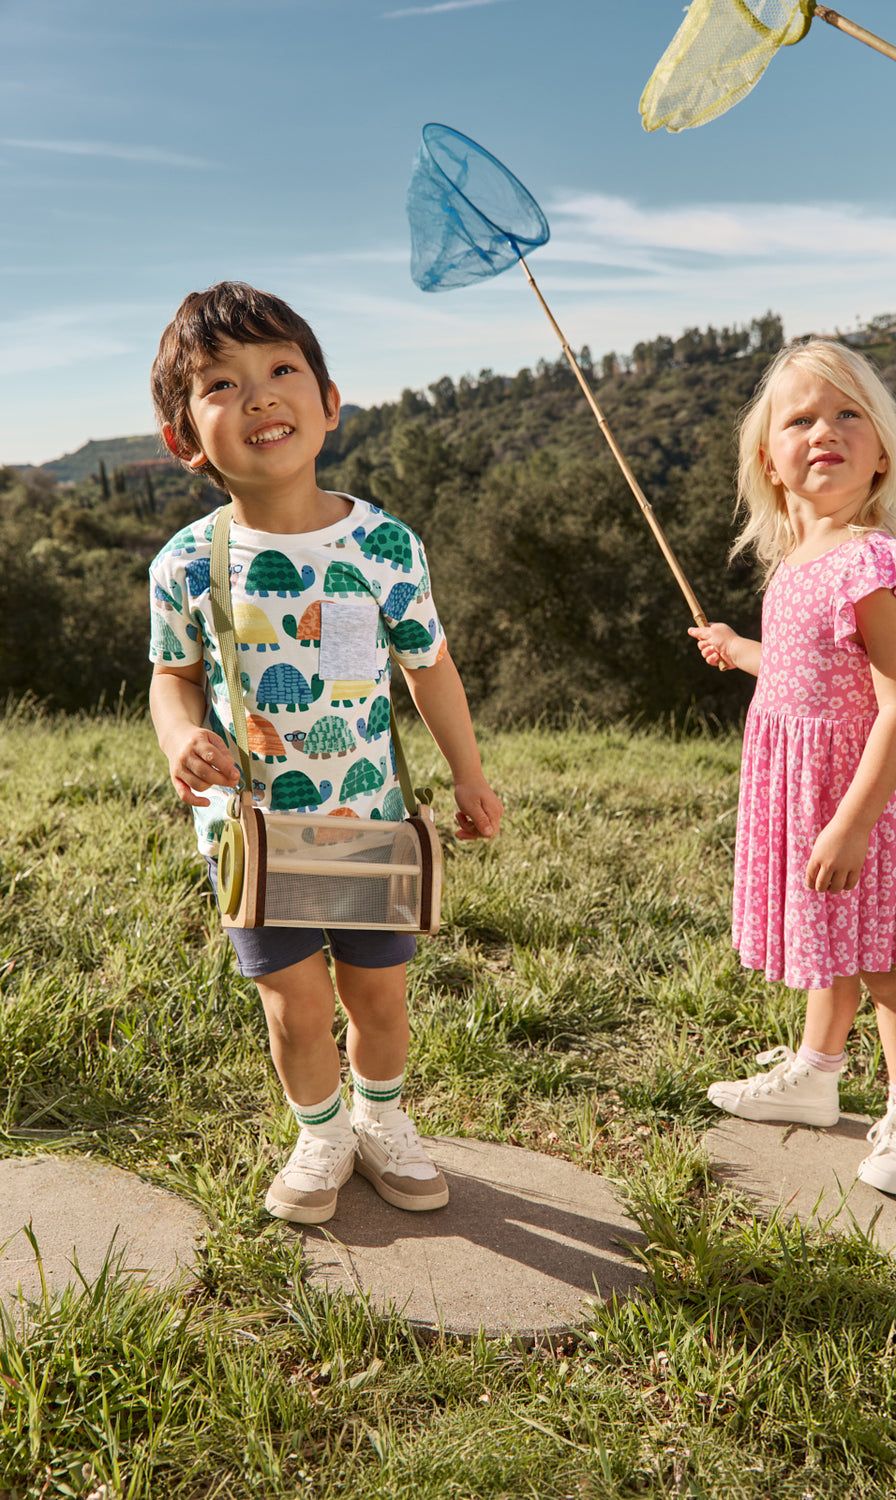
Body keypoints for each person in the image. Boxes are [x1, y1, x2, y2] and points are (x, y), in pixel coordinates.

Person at [148, 281, 502, 1226]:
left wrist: (468, 776)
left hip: (368, 824)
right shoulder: (187, 564)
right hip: (254, 833)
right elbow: (172, 675)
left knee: (379, 1000)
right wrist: (181, 734)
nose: (259, 395)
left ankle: (381, 1120)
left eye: (280, 369)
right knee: (294, 1008)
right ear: (186, 439)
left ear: (330, 402)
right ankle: (321, 1133)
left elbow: (430, 669)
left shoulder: (384, 545)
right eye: (221, 385)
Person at [689, 338, 896, 1198]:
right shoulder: (794, 564)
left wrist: (852, 822)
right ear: (768, 462)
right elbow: (800, 668)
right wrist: (739, 648)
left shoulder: (871, 561)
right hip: (803, 792)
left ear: (881, 451)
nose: (825, 431)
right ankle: (816, 1074)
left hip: (858, 796)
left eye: (850, 414)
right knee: (828, 944)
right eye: (801, 419)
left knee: (882, 961)